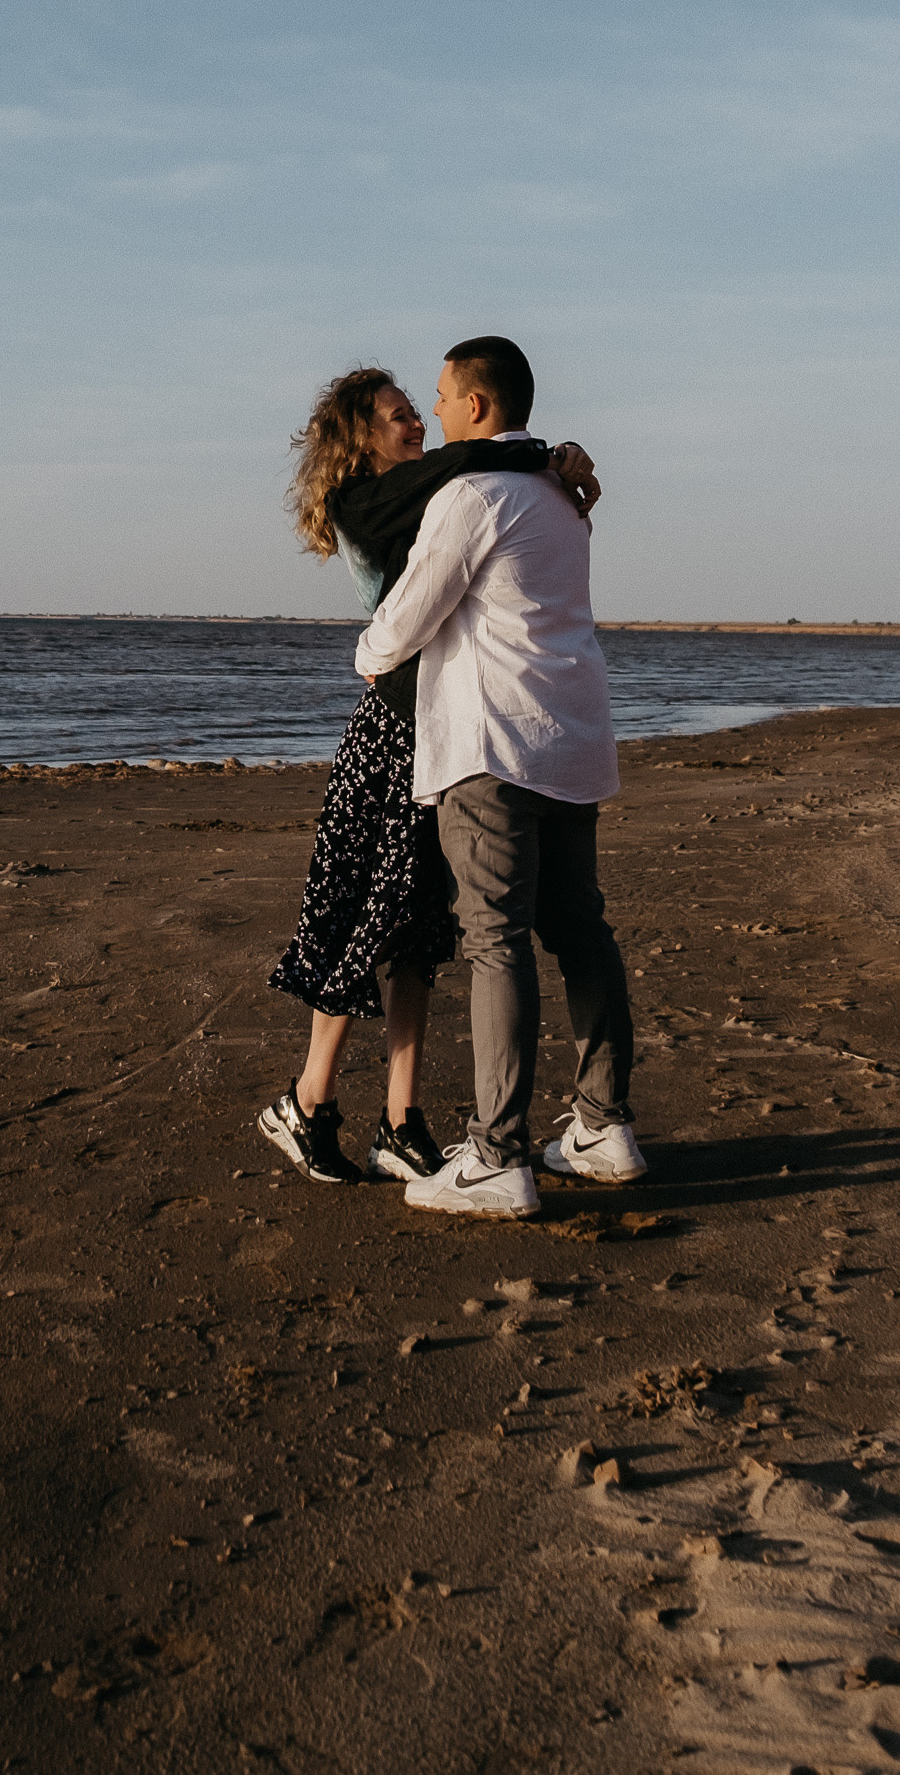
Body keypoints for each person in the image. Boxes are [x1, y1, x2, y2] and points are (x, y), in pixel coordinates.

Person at [259, 363, 601, 1189]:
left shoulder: (440, 487)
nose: (416, 424)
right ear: (357, 438)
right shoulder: (364, 504)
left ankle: (402, 1121)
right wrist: (538, 455)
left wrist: (550, 467)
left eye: (419, 411)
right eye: (397, 415)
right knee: (360, 919)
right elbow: (463, 470)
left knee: (416, 932)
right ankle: (305, 1104)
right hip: (392, 734)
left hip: (445, 728)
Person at [351, 334, 641, 1222]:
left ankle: (497, 1153)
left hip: (492, 746)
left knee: (494, 940)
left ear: (476, 405)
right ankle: (600, 1124)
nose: (433, 411)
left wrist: (368, 657)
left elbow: (405, 617)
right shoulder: (558, 496)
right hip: (569, 737)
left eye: (440, 396)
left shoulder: (471, 497)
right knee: (577, 927)